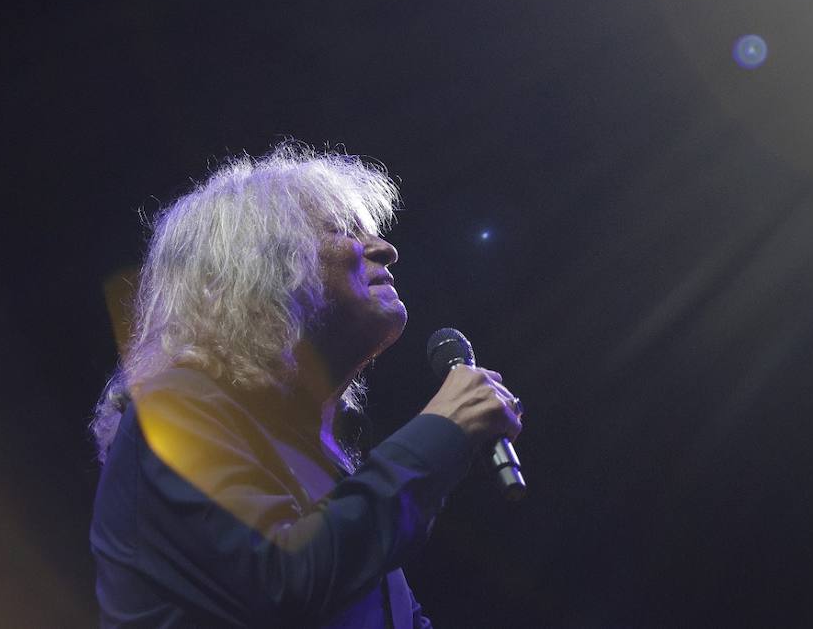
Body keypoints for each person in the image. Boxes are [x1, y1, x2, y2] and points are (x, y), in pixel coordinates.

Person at [89, 144, 524, 628]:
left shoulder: (327, 468)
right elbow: (283, 579)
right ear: (257, 270)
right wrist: (442, 431)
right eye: (343, 230)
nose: (385, 248)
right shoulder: (171, 411)